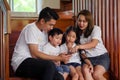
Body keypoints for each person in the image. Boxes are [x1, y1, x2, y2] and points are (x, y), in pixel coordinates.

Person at [11, 7, 70, 80]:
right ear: (42, 21)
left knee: (59, 77)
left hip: (37, 63)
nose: (52, 28)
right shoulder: (30, 28)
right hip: (21, 63)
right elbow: (34, 54)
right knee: (50, 65)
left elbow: (44, 52)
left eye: (53, 25)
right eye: (50, 25)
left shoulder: (45, 32)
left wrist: (59, 56)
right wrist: (57, 58)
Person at [71, 10, 110, 80]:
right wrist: (88, 62)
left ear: (89, 22)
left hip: (101, 56)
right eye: (79, 21)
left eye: (84, 21)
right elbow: (82, 52)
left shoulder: (96, 29)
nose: (81, 23)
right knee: (86, 71)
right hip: (87, 58)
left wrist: (78, 46)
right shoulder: (76, 33)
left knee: (96, 75)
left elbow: (93, 44)